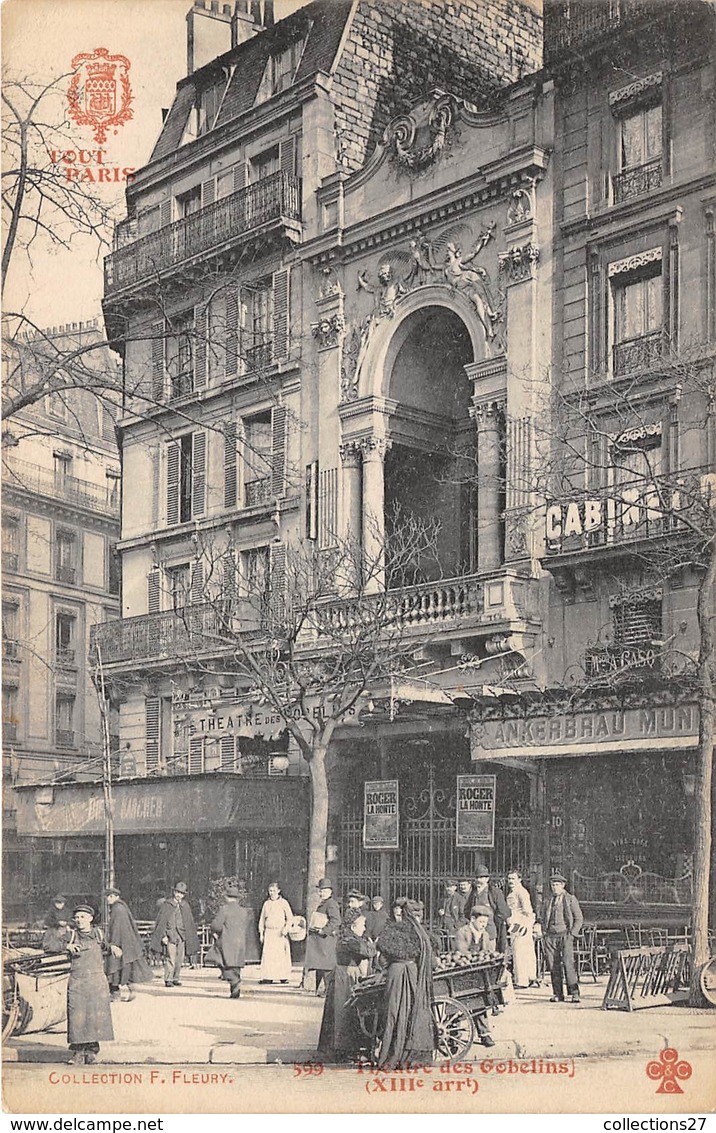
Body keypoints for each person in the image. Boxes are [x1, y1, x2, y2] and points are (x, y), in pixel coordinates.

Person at [375, 897, 436, 1069]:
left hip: (395, 975)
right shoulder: (420, 934)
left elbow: (382, 960)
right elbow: (431, 961)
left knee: (392, 1014)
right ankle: (409, 1056)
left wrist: (389, 965)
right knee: (411, 1013)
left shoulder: (392, 930)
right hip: (412, 974)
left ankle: (389, 1057)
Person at [317, 908, 376, 1062]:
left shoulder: (350, 937)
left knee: (344, 1013)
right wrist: (373, 946)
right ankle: (343, 1049)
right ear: (353, 926)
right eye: (362, 924)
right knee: (343, 1014)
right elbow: (367, 952)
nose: (364, 928)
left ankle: (342, 1048)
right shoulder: (349, 940)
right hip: (344, 979)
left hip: (346, 976)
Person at [65, 904, 119, 1065]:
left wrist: (113, 947)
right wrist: (66, 946)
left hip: (96, 981)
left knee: (95, 1016)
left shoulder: (98, 933)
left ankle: (92, 1051)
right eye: (77, 917)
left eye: (82, 917)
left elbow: (106, 947)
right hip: (78, 981)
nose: (79, 920)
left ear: (90, 918)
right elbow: (48, 945)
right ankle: (77, 1052)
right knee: (77, 1016)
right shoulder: (71, 935)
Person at [538, 872, 584, 1004]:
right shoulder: (548, 900)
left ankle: (574, 993)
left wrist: (572, 934)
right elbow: (542, 918)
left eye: (557, 884)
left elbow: (579, 918)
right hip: (550, 937)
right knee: (553, 965)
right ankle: (558, 993)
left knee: (568, 964)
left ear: (563, 885)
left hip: (565, 936)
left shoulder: (570, 899)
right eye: (553, 884)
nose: (555, 887)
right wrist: (544, 932)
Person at [454, 906, 496, 1047]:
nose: (483, 925)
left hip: (478, 973)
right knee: (458, 1003)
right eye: (481, 922)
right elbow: (461, 951)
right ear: (472, 919)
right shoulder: (462, 932)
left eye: (485, 922)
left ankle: (484, 1034)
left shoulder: (485, 935)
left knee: (480, 1001)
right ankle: (454, 1034)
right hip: (463, 972)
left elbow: (488, 952)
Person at [104, 887, 153, 1002]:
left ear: (116, 897)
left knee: (113, 966)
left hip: (119, 942)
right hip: (127, 942)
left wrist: (113, 944)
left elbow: (116, 928)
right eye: (107, 896)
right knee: (125, 967)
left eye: (110, 896)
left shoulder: (117, 909)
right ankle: (131, 989)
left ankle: (115, 993)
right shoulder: (122, 907)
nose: (108, 899)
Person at [150, 881, 199, 988]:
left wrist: (187, 936)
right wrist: (163, 936)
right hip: (170, 935)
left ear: (184, 895)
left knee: (180, 958)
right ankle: (168, 979)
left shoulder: (185, 906)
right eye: (177, 892)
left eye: (181, 893)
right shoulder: (167, 905)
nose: (178, 895)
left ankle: (176, 978)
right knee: (170, 958)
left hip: (181, 936)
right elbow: (161, 921)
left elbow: (189, 922)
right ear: (174, 892)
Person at [211, 886, 253, 998]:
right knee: (236, 966)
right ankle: (235, 991)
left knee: (223, 962)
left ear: (226, 897)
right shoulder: (244, 911)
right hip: (240, 942)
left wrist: (215, 932)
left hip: (226, 941)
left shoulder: (224, 909)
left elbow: (216, 925)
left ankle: (235, 983)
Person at [304, 878, 341, 995]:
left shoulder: (331, 904)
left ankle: (327, 991)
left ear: (330, 892)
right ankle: (319, 989)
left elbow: (336, 920)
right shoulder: (324, 903)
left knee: (326, 966)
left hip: (326, 940)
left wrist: (324, 930)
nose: (322, 893)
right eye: (321, 891)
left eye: (325, 891)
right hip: (320, 941)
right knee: (319, 965)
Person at [506, 870, 539, 989]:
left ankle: (522, 981)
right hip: (517, 924)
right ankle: (530, 977)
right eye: (509, 879)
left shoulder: (521, 892)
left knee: (519, 952)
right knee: (523, 952)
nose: (510, 881)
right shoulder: (514, 891)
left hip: (520, 925)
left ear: (519, 879)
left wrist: (523, 927)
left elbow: (527, 910)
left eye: (513, 879)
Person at [258, 882, 293, 985]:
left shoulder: (284, 903)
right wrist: (261, 933)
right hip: (269, 933)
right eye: (270, 891)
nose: (271, 893)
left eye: (273, 891)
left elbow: (290, 918)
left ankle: (283, 976)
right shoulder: (266, 904)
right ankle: (268, 977)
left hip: (280, 933)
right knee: (268, 956)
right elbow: (262, 920)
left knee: (280, 956)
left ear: (278, 891)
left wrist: (286, 929)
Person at [472, 865, 511, 953]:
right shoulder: (473, 893)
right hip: (475, 933)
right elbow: (467, 910)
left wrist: (495, 921)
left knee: (488, 956)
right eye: (477, 877)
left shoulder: (495, 892)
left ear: (487, 879)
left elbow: (504, 912)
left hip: (489, 932)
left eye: (482, 877)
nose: (478, 880)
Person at [437, 879, 463, 947]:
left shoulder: (460, 899)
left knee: (453, 948)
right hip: (443, 927)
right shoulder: (443, 899)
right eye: (447, 886)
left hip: (453, 928)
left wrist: (455, 926)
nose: (449, 889)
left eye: (451, 887)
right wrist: (439, 913)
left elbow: (463, 916)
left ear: (455, 887)